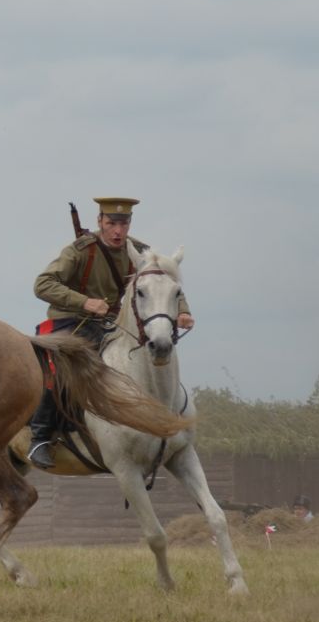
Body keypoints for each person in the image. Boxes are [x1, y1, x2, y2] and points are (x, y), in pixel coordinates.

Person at [26, 195, 194, 467]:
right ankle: (41, 436)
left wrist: (183, 310)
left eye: (123, 224)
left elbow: (165, 284)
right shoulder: (81, 250)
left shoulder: (139, 253)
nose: (118, 231)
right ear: (100, 222)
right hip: (74, 321)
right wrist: (85, 302)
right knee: (64, 368)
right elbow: (43, 284)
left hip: (114, 324)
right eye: (111, 223)